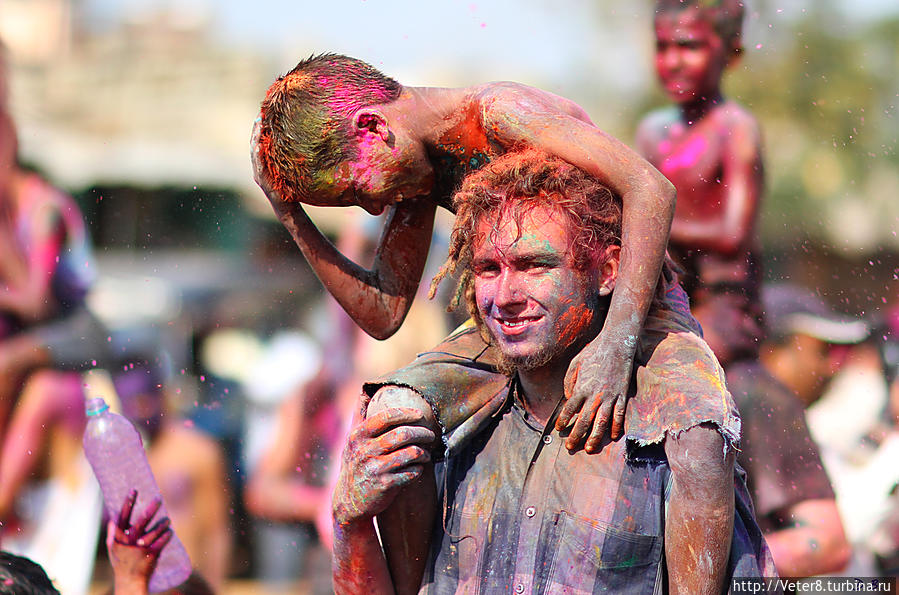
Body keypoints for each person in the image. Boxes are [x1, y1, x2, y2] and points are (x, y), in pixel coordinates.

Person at [331, 150, 773, 594]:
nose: (504, 296)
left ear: (608, 271)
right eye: (488, 268)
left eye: (533, 265)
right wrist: (350, 521)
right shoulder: (444, 435)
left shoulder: (668, 442)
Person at [253, 53, 710, 453]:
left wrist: (616, 347)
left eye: (357, 191)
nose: (374, 207)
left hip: (628, 310)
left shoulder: (500, 114)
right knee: (388, 424)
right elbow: (383, 312)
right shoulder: (419, 179)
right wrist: (289, 214)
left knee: (701, 438)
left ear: (373, 127)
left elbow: (651, 189)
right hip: (518, 331)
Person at [635, 0, 850, 576]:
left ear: (728, 51)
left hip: (721, 309)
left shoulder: (736, 130)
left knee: (706, 388)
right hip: (668, 301)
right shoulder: (652, 132)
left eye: (690, 44)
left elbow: (732, 231)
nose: (673, 60)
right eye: (664, 46)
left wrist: (647, 214)